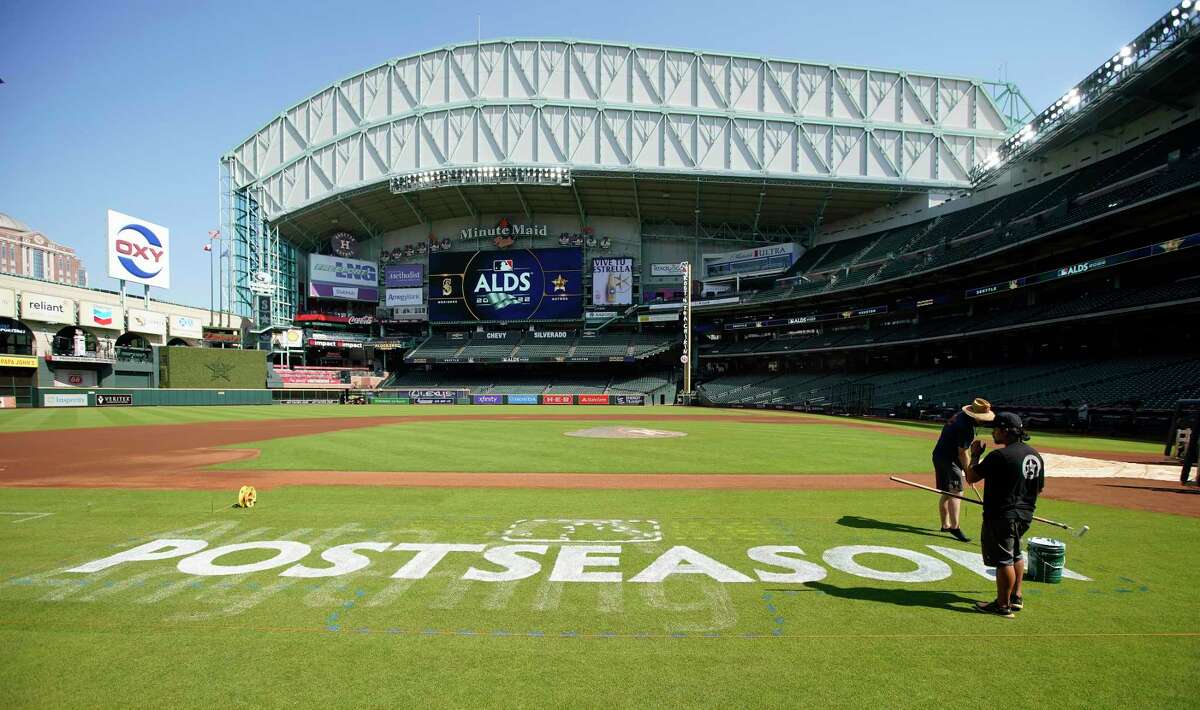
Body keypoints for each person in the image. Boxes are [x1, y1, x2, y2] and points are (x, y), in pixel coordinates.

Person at [965, 412, 1045, 618]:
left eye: (996, 429)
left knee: (1003, 560)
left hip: (1002, 515)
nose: (993, 432)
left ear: (1005, 431)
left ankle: (1002, 606)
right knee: (1016, 554)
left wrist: (975, 454)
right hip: (1025, 513)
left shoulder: (999, 456)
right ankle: (1016, 597)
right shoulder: (1034, 456)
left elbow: (971, 476)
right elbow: (1038, 489)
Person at [931, 398, 995, 542]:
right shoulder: (965, 427)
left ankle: (945, 525)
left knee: (948, 492)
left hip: (941, 455)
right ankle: (955, 527)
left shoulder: (960, 416)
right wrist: (969, 473)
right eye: (982, 419)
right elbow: (962, 453)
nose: (984, 422)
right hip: (948, 459)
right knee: (957, 491)